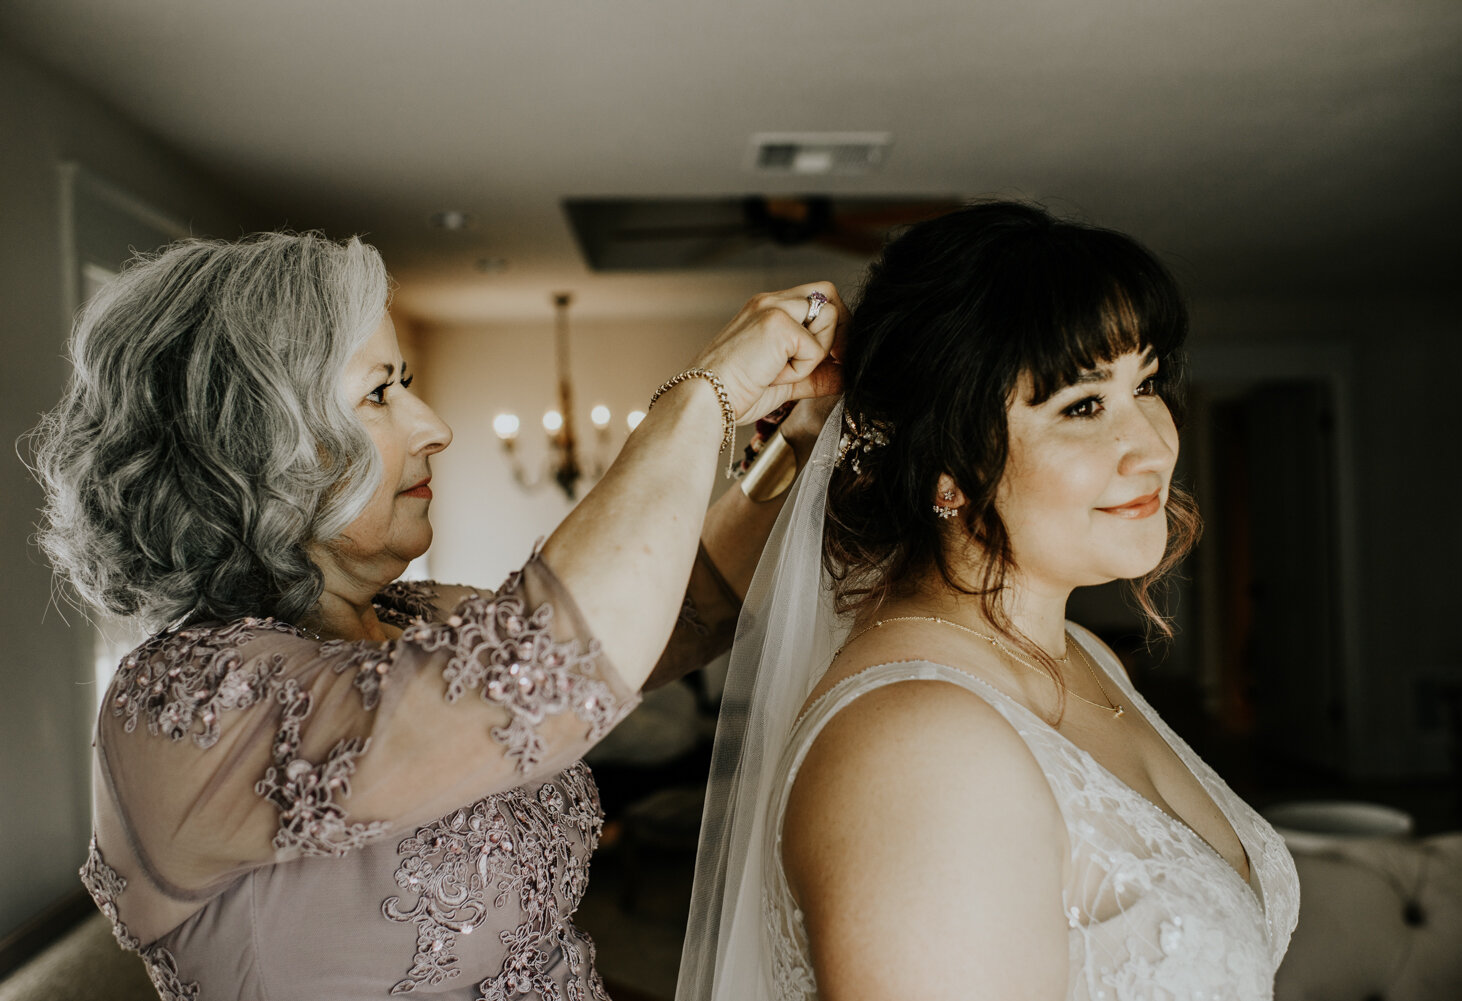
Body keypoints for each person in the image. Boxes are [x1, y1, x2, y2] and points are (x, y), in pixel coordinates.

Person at [29, 231, 843, 1000]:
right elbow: (544, 666)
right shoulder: (179, 703)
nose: (435, 428)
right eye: (380, 393)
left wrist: (799, 443)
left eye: (405, 385)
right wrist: (703, 397)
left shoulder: (420, 616)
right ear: (248, 448)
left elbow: (685, 607)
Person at [676, 202, 1300, 1001]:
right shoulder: (915, 747)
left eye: (1146, 384)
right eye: (1082, 406)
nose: (1153, 442)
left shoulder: (1083, 649)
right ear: (947, 467)